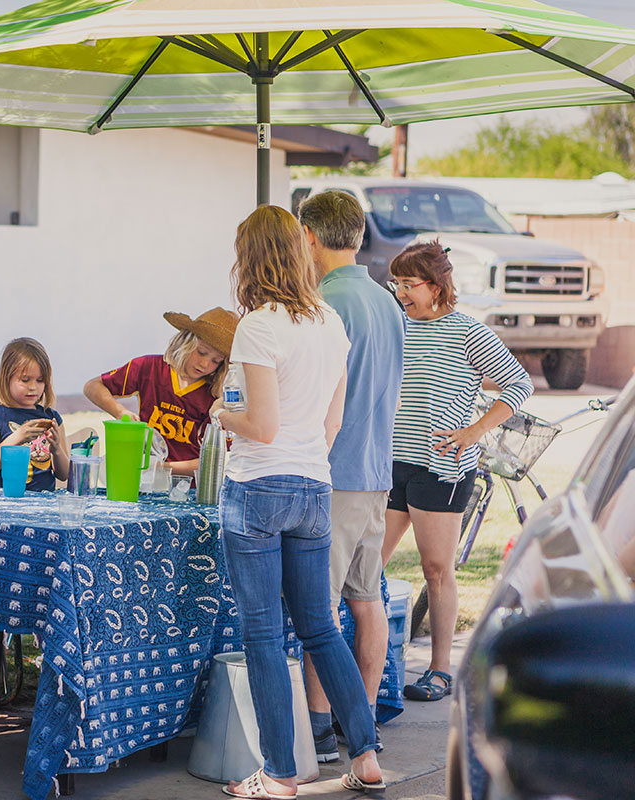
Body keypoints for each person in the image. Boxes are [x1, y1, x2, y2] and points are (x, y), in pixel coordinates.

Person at [215, 205, 382, 799]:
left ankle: (280, 775)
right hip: (315, 485)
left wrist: (218, 410)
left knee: (263, 634)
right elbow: (331, 423)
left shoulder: (258, 326)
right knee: (320, 627)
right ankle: (365, 756)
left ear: (251, 258)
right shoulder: (329, 323)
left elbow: (258, 425)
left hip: (258, 486)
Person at [380, 241, 533, 703]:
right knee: (365, 567)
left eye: (409, 284)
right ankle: (371, 660)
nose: (401, 292)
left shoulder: (468, 332)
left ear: (437, 285)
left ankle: (440, 669)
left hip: (441, 468)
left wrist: (474, 431)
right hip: (390, 461)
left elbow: (519, 383)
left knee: (436, 569)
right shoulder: (395, 326)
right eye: (397, 284)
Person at [297, 190, 403, 759]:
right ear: (358, 236)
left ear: (309, 238)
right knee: (367, 602)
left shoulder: (321, 305)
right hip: (377, 472)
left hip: (332, 473)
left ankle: (319, 729)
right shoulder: (388, 302)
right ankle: (360, 725)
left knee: (320, 609)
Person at [83, 307, 238, 476]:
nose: (205, 364)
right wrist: (120, 412)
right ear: (186, 341)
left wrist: (160, 469)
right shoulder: (148, 367)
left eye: (216, 361)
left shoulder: (216, 397)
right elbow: (92, 387)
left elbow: (213, 460)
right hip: (144, 481)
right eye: (201, 352)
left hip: (187, 485)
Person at [0, 337, 69, 491]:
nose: (33, 387)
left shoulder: (51, 417)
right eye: (25, 380)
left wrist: (56, 449)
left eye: (40, 380)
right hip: (8, 501)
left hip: (45, 503)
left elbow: (64, 474)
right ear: (6, 379)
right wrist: (17, 437)